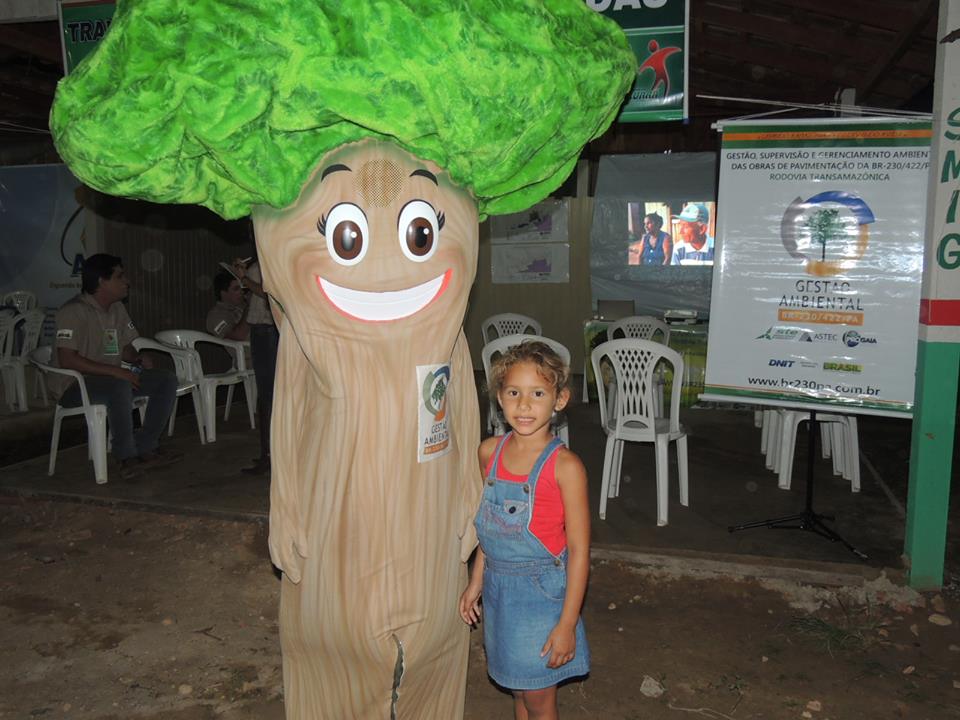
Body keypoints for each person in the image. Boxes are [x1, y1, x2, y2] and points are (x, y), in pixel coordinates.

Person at [460, 341, 590, 720]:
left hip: (542, 599)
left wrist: (567, 623)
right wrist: (475, 583)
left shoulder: (565, 467)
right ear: (499, 397)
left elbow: (579, 551)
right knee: (518, 691)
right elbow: (491, 527)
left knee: (539, 699)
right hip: (500, 595)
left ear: (559, 399)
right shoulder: (489, 452)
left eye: (538, 393)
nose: (524, 405)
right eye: (514, 392)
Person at [51, 253, 180, 480]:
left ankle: (146, 445)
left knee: (165, 379)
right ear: (101, 281)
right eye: (120, 276)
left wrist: (138, 358)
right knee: (119, 384)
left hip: (111, 379)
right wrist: (116, 371)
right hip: (74, 385)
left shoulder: (117, 308)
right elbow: (67, 360)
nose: (127, 281)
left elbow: (124, 349)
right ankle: (125, 456)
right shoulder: (72, 311)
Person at [231, 256, 278, 476]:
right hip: (263, 330)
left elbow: (271, 295)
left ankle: (270, 457)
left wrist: (246, 280)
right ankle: (268, 454)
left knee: (269, 397)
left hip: (269, 331)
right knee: (267, 396)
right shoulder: (261, 262)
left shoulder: (272, 260)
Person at [206, 271, 250, 340]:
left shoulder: (243, 304)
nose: (242, 292)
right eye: (236, 289)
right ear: (223, 293)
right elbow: (239, 336)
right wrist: (250, 308)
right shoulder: (215, 315)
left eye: (242, 288)